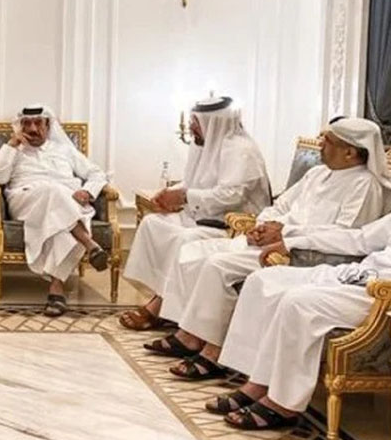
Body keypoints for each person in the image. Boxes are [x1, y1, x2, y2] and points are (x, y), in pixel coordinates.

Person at [145, 117, 386, 381]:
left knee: (217, 265)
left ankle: (210, 349)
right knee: (194, 251)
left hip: (303, 254)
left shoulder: (366, 186)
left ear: (350, 152)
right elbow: (280, 205)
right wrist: (263, 225)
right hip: (273, 240)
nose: (320, 144)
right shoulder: (317, 173)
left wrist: (284, 233)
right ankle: (190, 333)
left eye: (327, 141)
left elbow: (342, 235)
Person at [208, 178, 391, 430]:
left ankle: (283, 405)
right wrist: (293, 242)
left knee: (299, 302)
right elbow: (359, 239)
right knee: (263, 280)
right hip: (357, 275)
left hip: (379, 293)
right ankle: (256, 383)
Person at [119, 96, 271, 331]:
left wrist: (184, 197)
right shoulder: (202, 144)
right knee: (152, 224)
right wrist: (169, 194)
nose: (191, 127)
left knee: (185, 240)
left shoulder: (241, 150)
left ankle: (160, 306)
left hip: (232, 224)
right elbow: (192, 182)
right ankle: (166, 299)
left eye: (196, 122)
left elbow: (231, 196)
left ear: (214, 123)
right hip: (202, 215)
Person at [0, 104, 110, 316]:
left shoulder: (64, 150)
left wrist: (88, 191)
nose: (32, 128)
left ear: (47, 125)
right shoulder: (13, 150)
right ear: (20, 126)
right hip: (26, 201)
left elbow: (97, 173)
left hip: (65, 204)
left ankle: (56, 291)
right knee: (51, 190)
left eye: (38, 123)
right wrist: (12, 144)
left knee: (58, 225)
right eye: (27, 123)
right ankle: (89, 243)